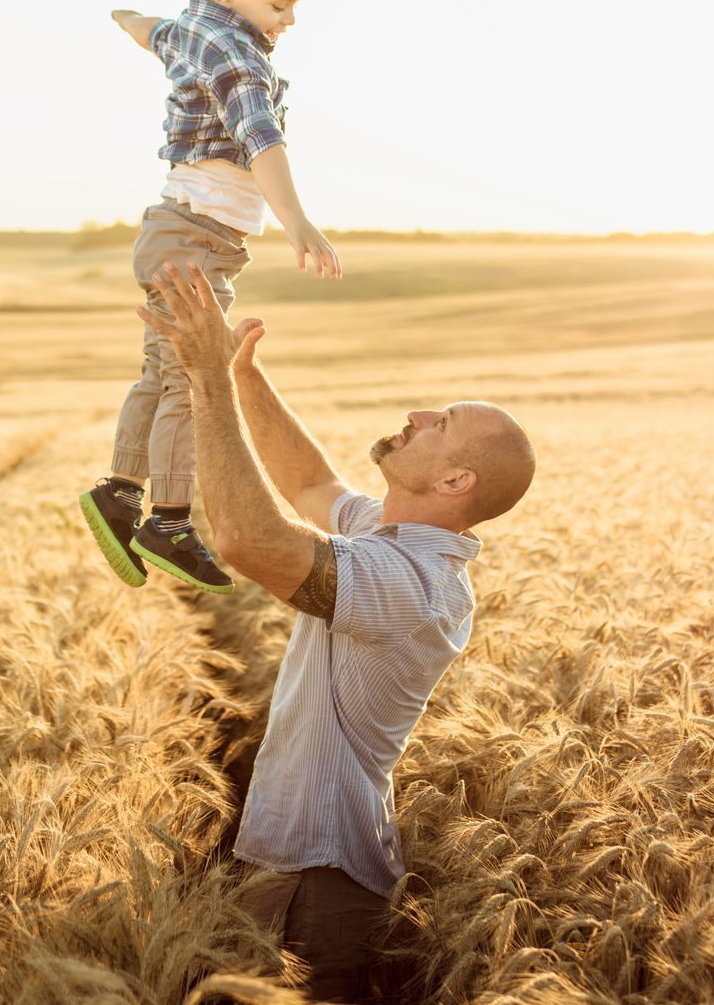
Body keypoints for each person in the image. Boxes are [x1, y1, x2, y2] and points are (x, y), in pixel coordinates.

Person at [139, 259, 536, 1000]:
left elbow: (247, 539)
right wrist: (242, 373)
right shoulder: (393, 535)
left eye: (440, 424)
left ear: (455, 483)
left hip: (316, 874)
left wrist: (208, 381)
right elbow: (309, 486)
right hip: (296, 857)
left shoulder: (413, 586)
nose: (417, 414)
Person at [80, 0, 343, 596]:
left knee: (161, 370)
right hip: (195, 239)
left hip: (181, 231)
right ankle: (166, 519)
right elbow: (261, 139)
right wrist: (297, 223)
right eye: (279, 3)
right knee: (193, 377)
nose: (288, 19)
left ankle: (119, 493)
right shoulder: (235, 53)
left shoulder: (193, 27)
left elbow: (149, 31)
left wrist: (121, 14)